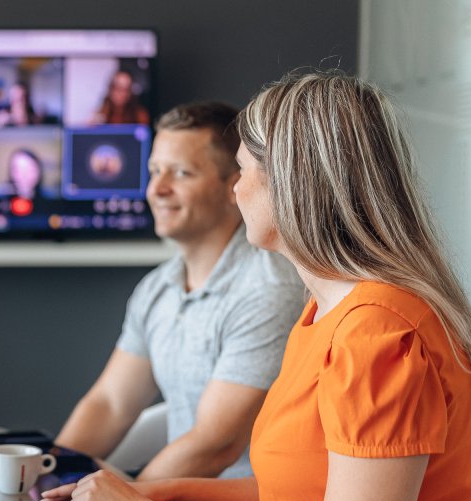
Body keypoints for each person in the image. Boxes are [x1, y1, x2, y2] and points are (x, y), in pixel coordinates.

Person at [44, 71, 471, 501]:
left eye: (244, 171)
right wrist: (152, 494)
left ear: (294, 184)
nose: (235, 190)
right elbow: (306, 490)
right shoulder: (324, 312)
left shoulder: (377, 337)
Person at [56, 102, 305, 481]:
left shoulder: (268, 289)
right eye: (154, 171)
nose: (157, 189)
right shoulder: (157, 287)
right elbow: (110, 403)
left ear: (233, 187)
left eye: (181, 173)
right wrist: (47, 477)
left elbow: (215, 445)